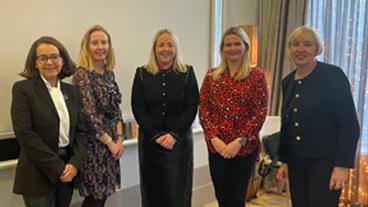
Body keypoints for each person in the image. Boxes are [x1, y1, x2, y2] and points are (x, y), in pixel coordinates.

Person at [276, 26, 360, 207]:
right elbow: (287, 124)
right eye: (295, 44)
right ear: (289, 48)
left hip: (326, 164)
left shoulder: (332, 75)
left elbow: (348, 124)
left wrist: (342, 166)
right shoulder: (288, 81)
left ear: (317, 49)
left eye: (307, 44)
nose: (301, 49)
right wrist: (285, 162)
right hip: (297, 163)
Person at [11, 36, 87, 207]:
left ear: (62, 60)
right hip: (38, 172)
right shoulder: (23, 90)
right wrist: (58, 168)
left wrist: (74, 164)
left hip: (68, 169)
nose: (49, 62)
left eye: (54, 56)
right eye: (43, 58)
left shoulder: (72, 91)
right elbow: (25, 134)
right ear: (35, 62)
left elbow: (82, 132)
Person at [199, 26, 269, 207]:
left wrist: (240, 141)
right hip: (217, 147)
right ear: (222, 48)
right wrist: (214, 139)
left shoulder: (257, 76)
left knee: (237, 199)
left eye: (237, 44)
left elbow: (260, 113)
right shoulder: (211, 76)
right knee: (222, 197)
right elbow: (204, 109)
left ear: (245, 46)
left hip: (244, 148)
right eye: (228, 44)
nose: (233, 48)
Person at [131, 28, 199, 207]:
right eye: (161, 45)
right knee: (152, 193)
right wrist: (155, 135)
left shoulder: (187, 73)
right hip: (150, 143)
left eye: (170, 45)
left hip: (179, 143)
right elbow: (138, 108)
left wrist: (174, 135)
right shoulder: (142, 74)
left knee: (177, 194)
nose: (165, 49)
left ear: (176, 49)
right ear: (154, 48)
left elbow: (191, 107)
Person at [73, 25, 124, 207]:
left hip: (112, 146)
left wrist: (119, 139)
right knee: (94, 198)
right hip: (95, 146)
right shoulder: (82, 75)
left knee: (103, 196)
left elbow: (116, 109)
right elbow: (89, 115)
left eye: (104, 42)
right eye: (95, 43)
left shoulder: (109, 74)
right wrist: (110, 142)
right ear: (87, 47)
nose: (100, 46)